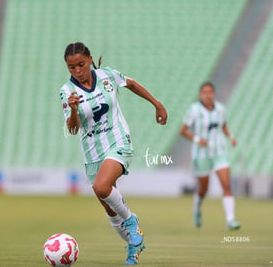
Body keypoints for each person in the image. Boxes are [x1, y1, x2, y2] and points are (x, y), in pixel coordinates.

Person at [59, 42, 167, 265]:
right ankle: (133, 247)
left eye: (81, 64)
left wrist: (156, 104)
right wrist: (73, 110)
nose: (77, 71)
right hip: (91, 152)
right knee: (109, 207)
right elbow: (73, 128)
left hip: (119, 142)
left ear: (89, 59)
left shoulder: (107, 75)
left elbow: (131, 83)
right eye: (71, 67)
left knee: (102, 187)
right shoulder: (66, 92)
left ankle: (131, 220)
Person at [180, 82, 241, 230]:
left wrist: (231, 136)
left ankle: (230, 220)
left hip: (220, 151)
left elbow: (224, 126)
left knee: (226, 185)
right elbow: (183, 130)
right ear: (201, 94)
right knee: (204, 188)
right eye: (204, 92)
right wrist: (197, 139)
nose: (208, 95)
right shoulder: (194, 110)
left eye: (210, 92)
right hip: (201, 154)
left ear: (214, 93)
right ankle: (197, 208)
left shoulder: (221, 109)